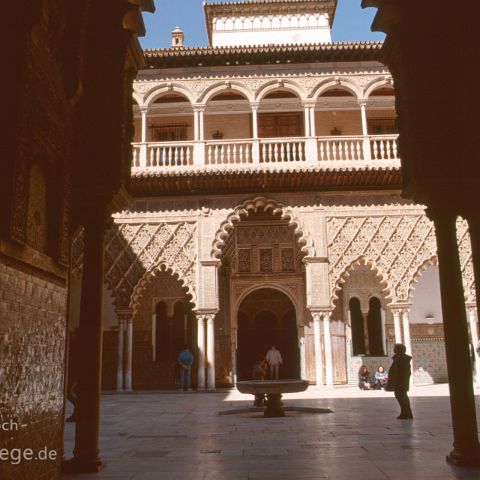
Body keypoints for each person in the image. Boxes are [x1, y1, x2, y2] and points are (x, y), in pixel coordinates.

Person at [386, 343, 413, 419]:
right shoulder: (398, 358)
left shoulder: (402, 359)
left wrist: (398, 379)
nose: (393, 349)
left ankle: (406, 413)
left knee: (401, 396)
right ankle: (406, 412)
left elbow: (404, 371)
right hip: (399, 381)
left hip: (400, 381)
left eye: (395, 348)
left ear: (398, 349)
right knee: (401, 396)